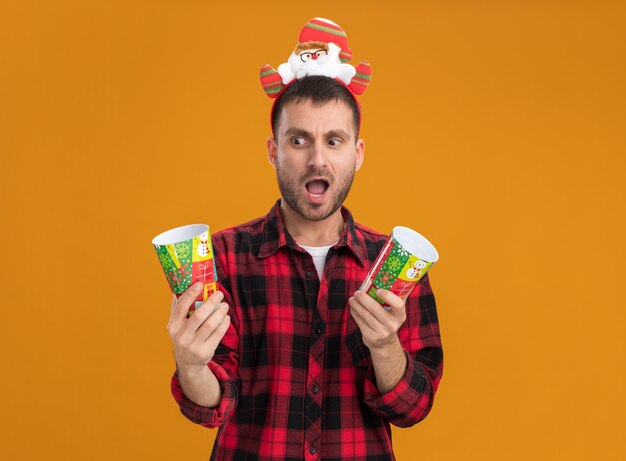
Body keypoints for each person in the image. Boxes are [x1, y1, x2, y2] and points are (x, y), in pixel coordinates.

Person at [166, 19, 443, 461]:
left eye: (334, 141)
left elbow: (414, 408)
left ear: (358, 153)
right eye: (299, 140)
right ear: (273, 150)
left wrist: (385, 347)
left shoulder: (393, 267)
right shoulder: (221, 257)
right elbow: (210, 406)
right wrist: (192, 363)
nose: (317, 159)